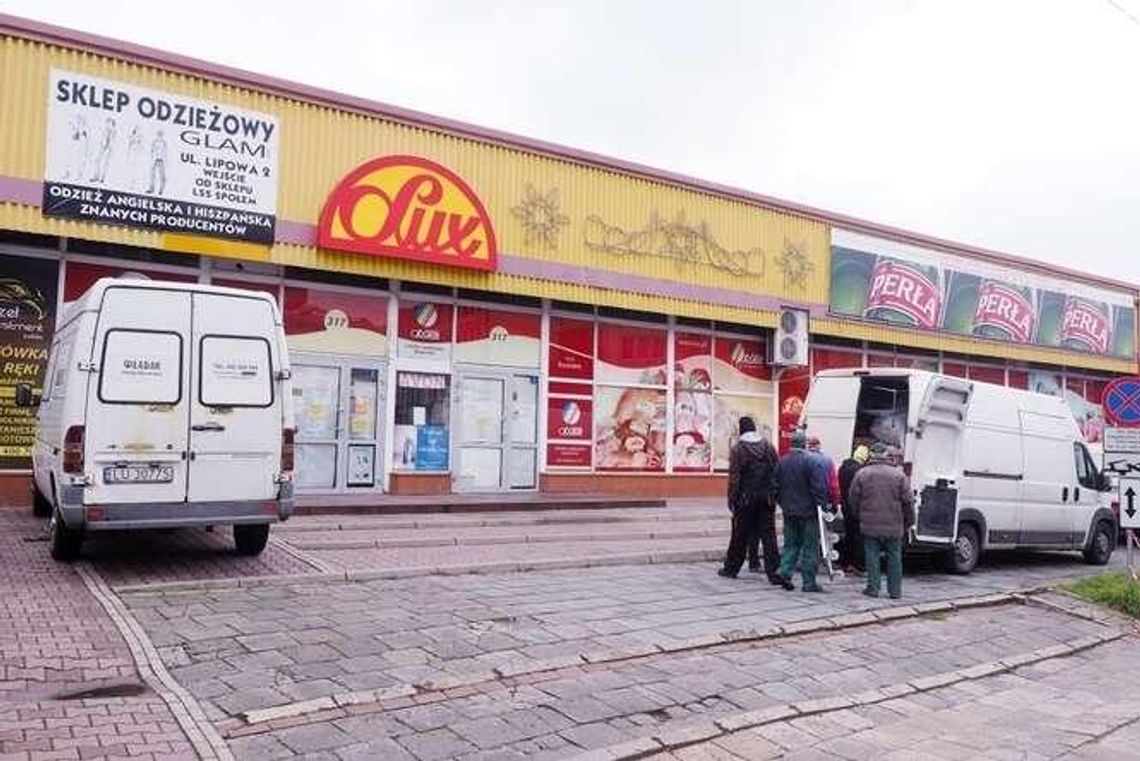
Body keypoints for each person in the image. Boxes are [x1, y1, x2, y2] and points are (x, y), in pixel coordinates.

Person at [847, 442, 916, 599]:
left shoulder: (862, 474)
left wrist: (859, 516)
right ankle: (895, 591)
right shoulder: (899, 475)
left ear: (871, 455)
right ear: (886, 455)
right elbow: (908, 502)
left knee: (872, 555)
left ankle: (873, 588)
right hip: (894, 524)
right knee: (894, 556)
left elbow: (853, 499)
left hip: (869, 524)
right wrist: (909, 521)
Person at [719, 417, 781, 582]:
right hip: (766, 498)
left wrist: (732, 499)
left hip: (745, 499)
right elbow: (777, 470)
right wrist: (774, 494)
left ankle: (731, 568)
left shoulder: (738, 449)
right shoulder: (768, 446)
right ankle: (774, 572)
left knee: (740, 535)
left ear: (741, 429)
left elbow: (734, 477)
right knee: (769, 536)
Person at [773, 430, 829, 592]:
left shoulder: (782, 462)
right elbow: (819, 488)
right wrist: (822, 507)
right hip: (809, 512)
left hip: (789, 511)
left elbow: (774, 487)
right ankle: (809, 582)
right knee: (809, 547)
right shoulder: (811, 462)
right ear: (804, 444)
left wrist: (783, 503)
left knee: (791, 544)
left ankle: (784, 571)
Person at [838, 445, 870, 574]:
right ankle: (857, 564)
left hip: (845, 505)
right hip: (856, 507)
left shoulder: (843, 467)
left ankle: (845, 562)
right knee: (858, 536)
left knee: (849, 534)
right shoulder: (860, 471)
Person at [807, 436, 841, 510]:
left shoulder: (803, 460)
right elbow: (833, 484)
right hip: (821, 500)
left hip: (803, 502)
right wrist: (835, 501)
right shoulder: (827, 461)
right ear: (819, 446)